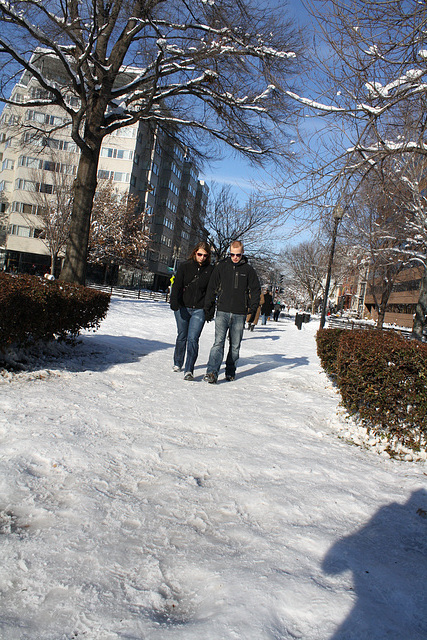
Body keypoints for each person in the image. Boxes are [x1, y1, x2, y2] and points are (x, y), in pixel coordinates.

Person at [203, 240, 260, 383]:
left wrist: (252, 309)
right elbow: (211, 287)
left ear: (243, 253)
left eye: (238, 255)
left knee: (235, 346)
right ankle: (212, 372)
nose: (235, 257)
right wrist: (208, 307)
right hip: (222, 311)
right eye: (232, 254)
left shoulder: (248, 270)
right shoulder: (222, 267)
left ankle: (230, 371)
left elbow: (256, 290)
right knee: (218, 343)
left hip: (239, 313)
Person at [169, 241, 214, 380]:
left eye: (205, 255)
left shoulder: (211, 270)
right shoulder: (185, 266)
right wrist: (174, 302)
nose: (202, 258)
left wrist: (209, 310)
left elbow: (211, 292)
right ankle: (178, 362)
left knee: (193, 339)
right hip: (182, 306)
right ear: (195, 253)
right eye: (200, 254)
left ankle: (189, 370)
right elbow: (177, 285)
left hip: (199, 309)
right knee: (182, 335)